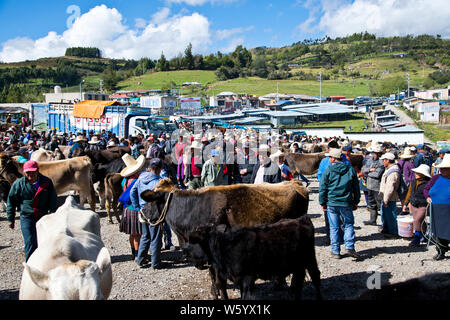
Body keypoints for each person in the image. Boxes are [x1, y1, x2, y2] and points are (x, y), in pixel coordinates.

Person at [6, 160, 58, 261]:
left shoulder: (46, 182)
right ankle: (30, 265)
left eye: (32, 172)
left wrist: (53, 216)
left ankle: (43, 263)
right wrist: (10, 218)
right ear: (24, 172)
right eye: (28, 172)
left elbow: (53, 201)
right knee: (30, 241)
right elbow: (11, 201)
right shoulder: (19, 184)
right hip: (27, 217)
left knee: (44, 241)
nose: (30, 175)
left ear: (37, 171)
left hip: (43, 216)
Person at [319, 148, 361, 259]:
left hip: (332, 202)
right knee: (348, 224)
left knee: (334, 227)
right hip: (346, 202)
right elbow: (356, 187)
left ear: (333, 158)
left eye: (330, 157)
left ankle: (336, 251)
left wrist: (322, 202)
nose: (329, 159)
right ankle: (350, 246)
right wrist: (356, 201)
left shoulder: (328, 170)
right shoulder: (350, 170)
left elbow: (323, 188)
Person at [130, 158, 167, 269]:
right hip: (154, 212)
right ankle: (155, 263)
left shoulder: (141, 178)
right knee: (155, 237)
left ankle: (141, 260)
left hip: (143, 211)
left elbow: (132, 192)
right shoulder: (159, 183)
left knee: (145, 236)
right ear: (160, 169)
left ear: (150, 167)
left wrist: (137, 207)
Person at [119, 154, 146, 261]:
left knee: (131, 234)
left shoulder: (124, 181)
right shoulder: (136, 181)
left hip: (126, 208)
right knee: (138, 234)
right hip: (134, 208)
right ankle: (137, 254)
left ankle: (133, 252)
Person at [424, 154, 450, 260]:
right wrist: (427, 197)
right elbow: (426, 189)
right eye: (441, 168)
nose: (441, 170)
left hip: (448, 209)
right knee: (438, 232)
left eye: (444, 168)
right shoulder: (435, 178)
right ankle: (441, 251)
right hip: (436, 209)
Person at [403, 164, 431, 247]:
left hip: (423, 204)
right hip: (414, 204)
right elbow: (409, 192)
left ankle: (417, 238)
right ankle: (424, 235)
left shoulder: (428, 183)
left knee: (417, 220)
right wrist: (406, 203)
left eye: (418, 172)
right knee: (420, 221)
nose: (415, 173)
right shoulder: (414, 181)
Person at [378, 152, 401, 238]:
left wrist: (385, 200)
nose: (383, 161)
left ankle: (393, 232)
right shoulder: (389, 169)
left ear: (388, 160)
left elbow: (390, 188)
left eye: (384, 160)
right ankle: (386, 229)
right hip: (386, 197)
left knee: (390, 215)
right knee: (385, 214)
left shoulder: (393, 172)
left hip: (389, 197)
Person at [361, 145, 385, 226]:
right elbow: (363, 169)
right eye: (373, 153)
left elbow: (377, 174)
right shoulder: (370, 160)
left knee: (380, 205)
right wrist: (369, 170)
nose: (373, 154)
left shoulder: (381, 162)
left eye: (375, 153)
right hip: (369, 185)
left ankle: (384, 223)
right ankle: (372, 220)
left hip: (377, 187)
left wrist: (368, 173)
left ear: (379, 154)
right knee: (371, 204)